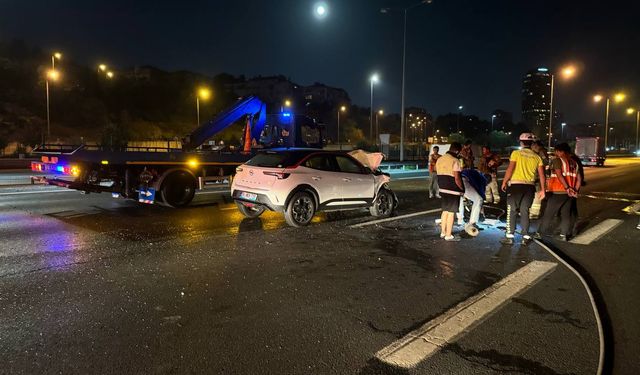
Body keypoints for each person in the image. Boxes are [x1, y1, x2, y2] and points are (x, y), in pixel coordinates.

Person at [500, 133, 546, 245]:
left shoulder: (516, 153)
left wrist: (504, 181)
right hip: (530, 187)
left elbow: (510, 169)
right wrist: (543, 189)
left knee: (512, 210)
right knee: (525, 211)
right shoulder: (537, 157)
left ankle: (509, 236)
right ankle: (525, 236)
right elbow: (542, 175)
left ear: (521, 142)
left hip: (516, 186)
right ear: (531, 143)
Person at [536, 143, 581, 241]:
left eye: (556, 151)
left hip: (558, 192)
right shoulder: (574, 163)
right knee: (566, 215)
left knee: (548, 214)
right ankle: (563, 235)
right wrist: (574, 191)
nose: (555, 153)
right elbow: (579, 179)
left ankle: (539, 233)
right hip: (569, 194)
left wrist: (567, 187)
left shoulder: (557, 160)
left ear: (561, 151)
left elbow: (559, 175)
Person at [436, 142, 464, 241]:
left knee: (445, 211)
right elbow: (457, 178)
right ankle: (448, 235)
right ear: (457, 151)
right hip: (453, 190)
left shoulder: (440, 159)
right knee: (451, 212)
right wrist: (461, 188)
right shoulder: (455, 160)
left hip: (442, 188)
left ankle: (443, 232)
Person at [529, 140, 549, 219]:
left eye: (534, 145)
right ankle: (530, 211)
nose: (533, 147)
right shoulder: (534, 153)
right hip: (533, 176)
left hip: (537, 176)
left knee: (537, 194)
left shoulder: (541, 152)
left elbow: (545, 163)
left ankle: (534, 213)